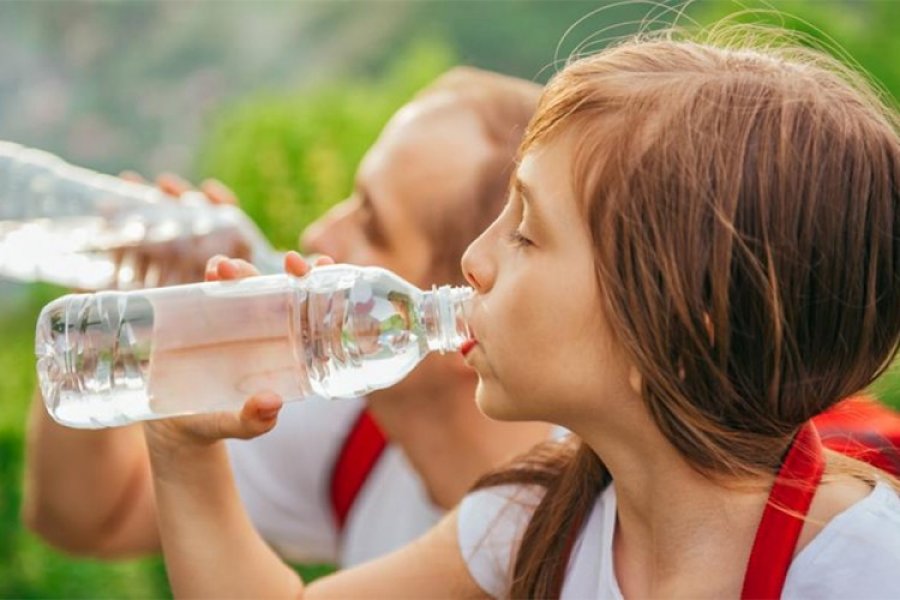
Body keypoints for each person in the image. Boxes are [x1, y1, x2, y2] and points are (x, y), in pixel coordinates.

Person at [141, 27, 900, 598]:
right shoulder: (537, 516)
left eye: (528, 231)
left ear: (674, 325)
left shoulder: (858, 569)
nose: (474, 259)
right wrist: (183, 442)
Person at [22, 67, 552, 564]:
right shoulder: (353, 432)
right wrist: (116, 294)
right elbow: (88, 520)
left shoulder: (564, 537)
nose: (317, 235)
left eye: (371, 225)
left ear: (469, 316)